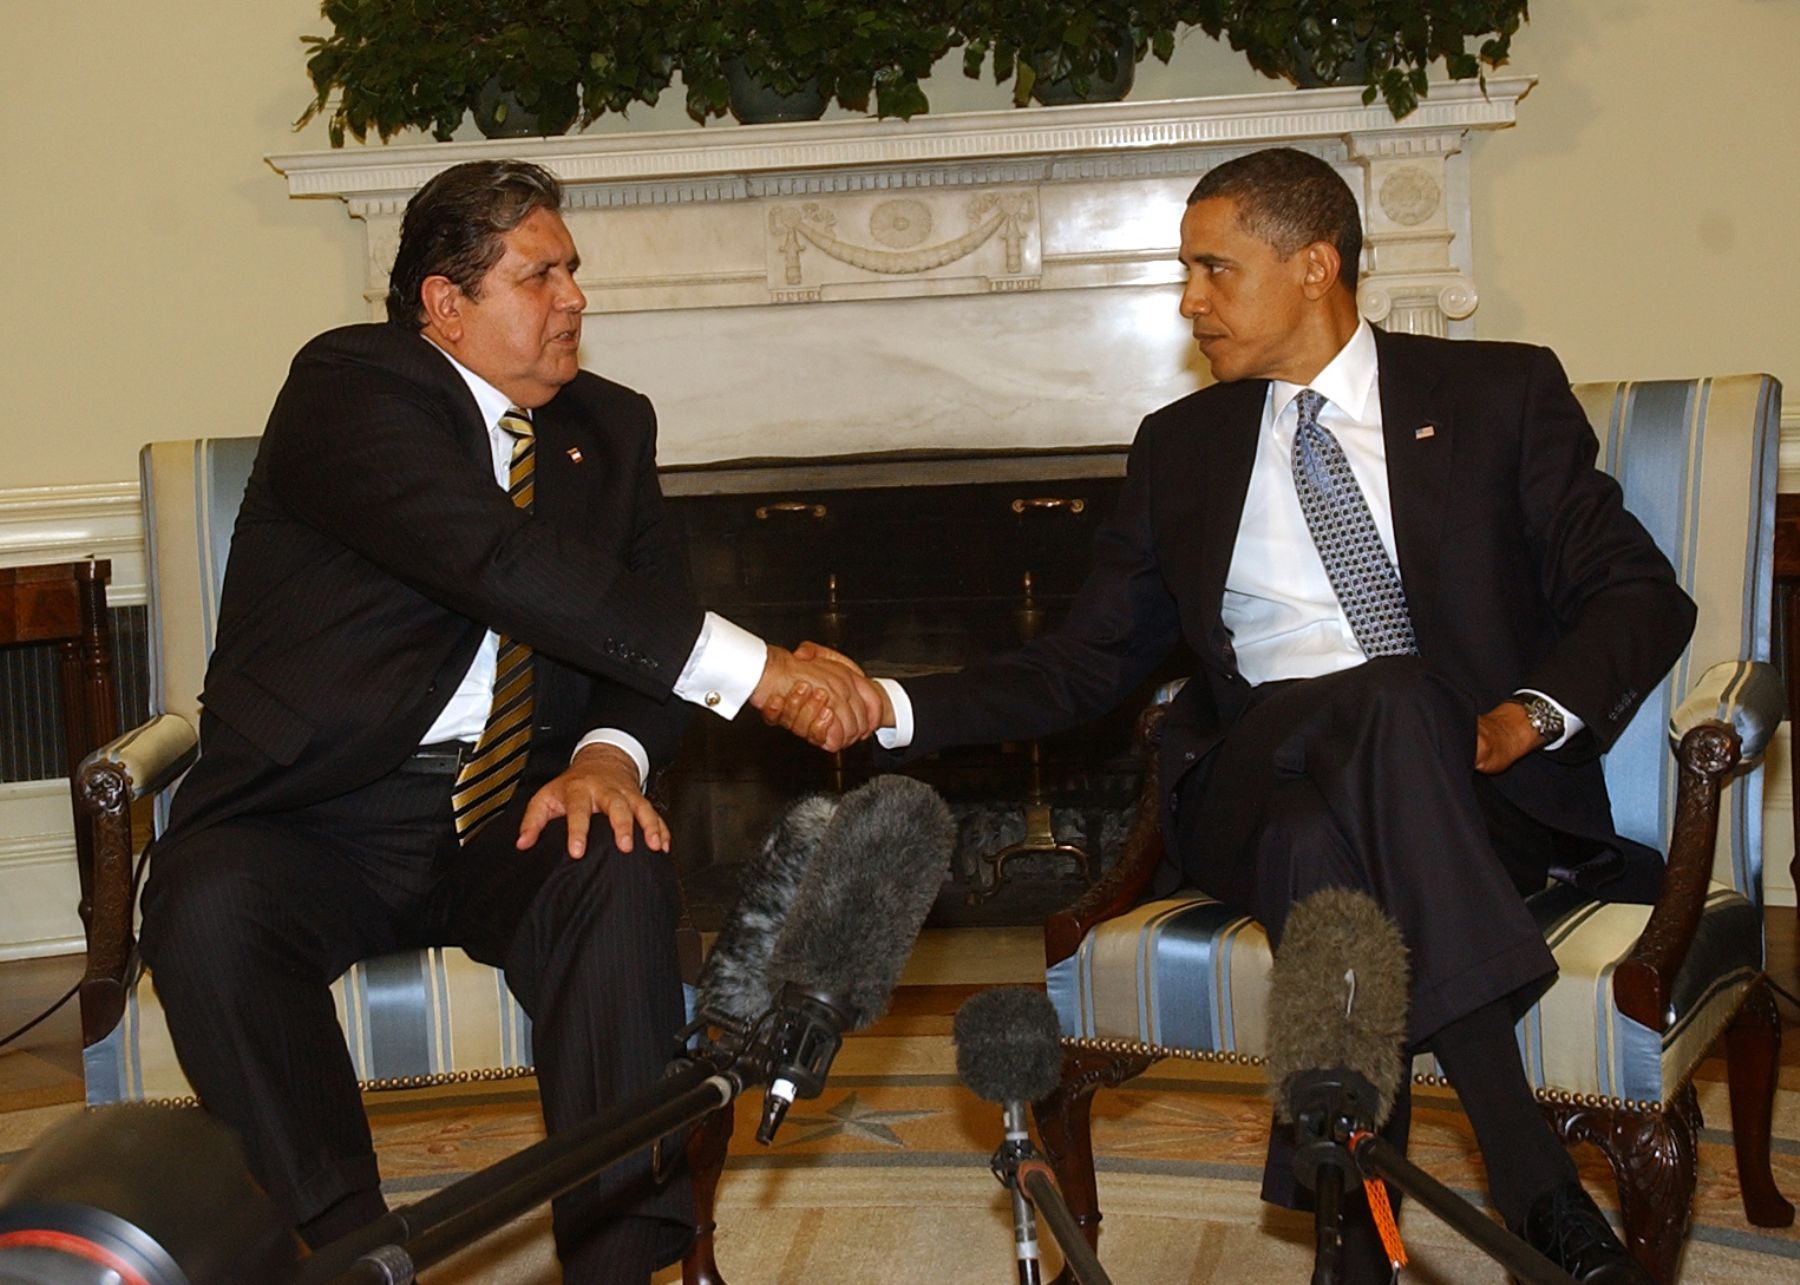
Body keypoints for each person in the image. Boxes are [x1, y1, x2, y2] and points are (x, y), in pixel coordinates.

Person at [770, 147, 1688, 1283]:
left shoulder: (1497, 396)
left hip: (1464, 794)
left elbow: (1640, 593)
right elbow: (1083, 664)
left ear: (1316, 265)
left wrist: (1527, 718)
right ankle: (1530, 1171)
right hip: (1248, 778)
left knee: (1332, 837)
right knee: (1379, 712)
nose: (1189, 301)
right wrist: (890, 705)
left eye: (1214, 268)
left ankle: (1347, 1242)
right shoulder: (1184, 448)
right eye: (1185, 273)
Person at [137, 159, 882, 1285]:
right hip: (315, 813)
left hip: (513, 810)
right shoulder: (352, 386)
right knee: (205, 905)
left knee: (616, 856)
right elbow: (500, 561)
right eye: (540, 276)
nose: (574, 297)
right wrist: (763, 672)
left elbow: (645, 630)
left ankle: (619, 1258)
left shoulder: (610, 428)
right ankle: (352, 1245)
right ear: (446, 303)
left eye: (573, 270)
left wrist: (606, 757)